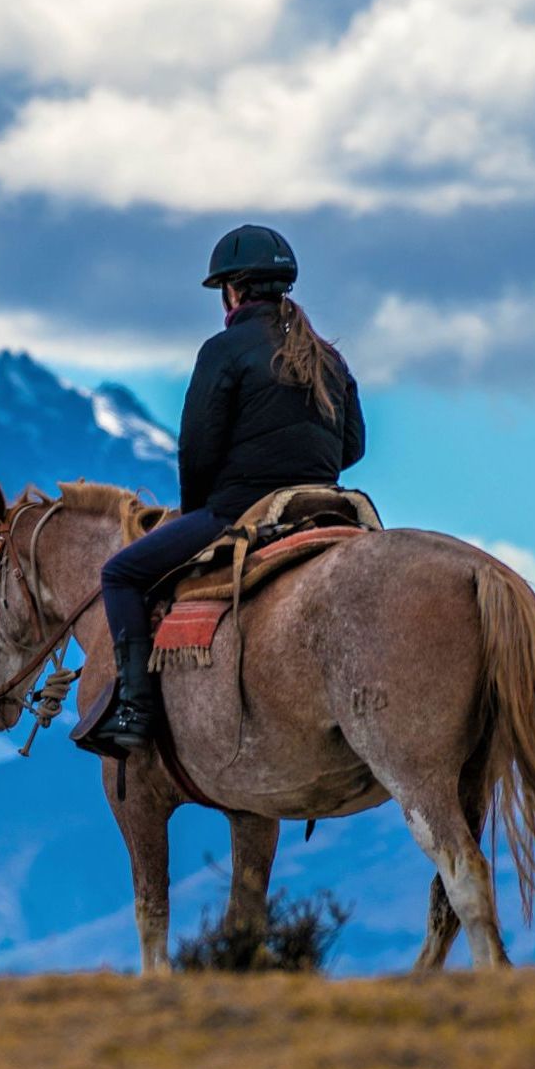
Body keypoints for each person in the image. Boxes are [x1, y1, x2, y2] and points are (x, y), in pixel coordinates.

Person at [79, 225, 365, 756]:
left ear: (233, 290)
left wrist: (196, 513)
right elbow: (352, 449)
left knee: (120, 573)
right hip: (326, 508)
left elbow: (198, 449)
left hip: (242, 509)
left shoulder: (224, 349)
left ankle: (135, 709)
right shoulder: (330, 358)